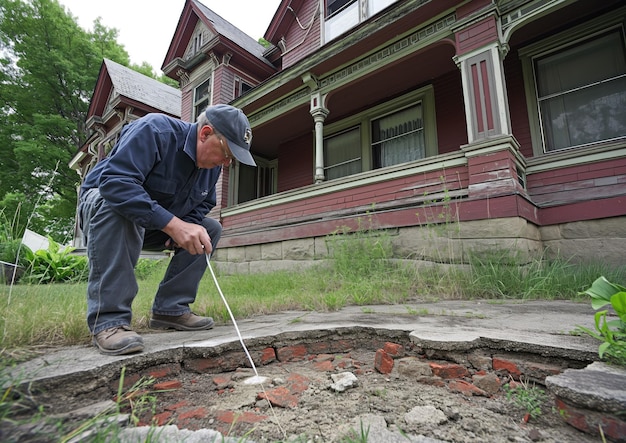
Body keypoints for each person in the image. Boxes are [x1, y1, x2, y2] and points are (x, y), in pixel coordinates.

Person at [78, 104, 256, 356]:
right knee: (116, 208)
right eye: (227, 152)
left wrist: (183, 228)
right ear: (205, 133)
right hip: (104, 208)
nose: (227, 163)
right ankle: (109, 322)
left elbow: (203, 204)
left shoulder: (211, 168)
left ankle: (170, 310)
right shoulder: (154, 131)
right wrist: (173, 225)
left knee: (209, 229)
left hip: (151, 224)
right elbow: (115, 184)